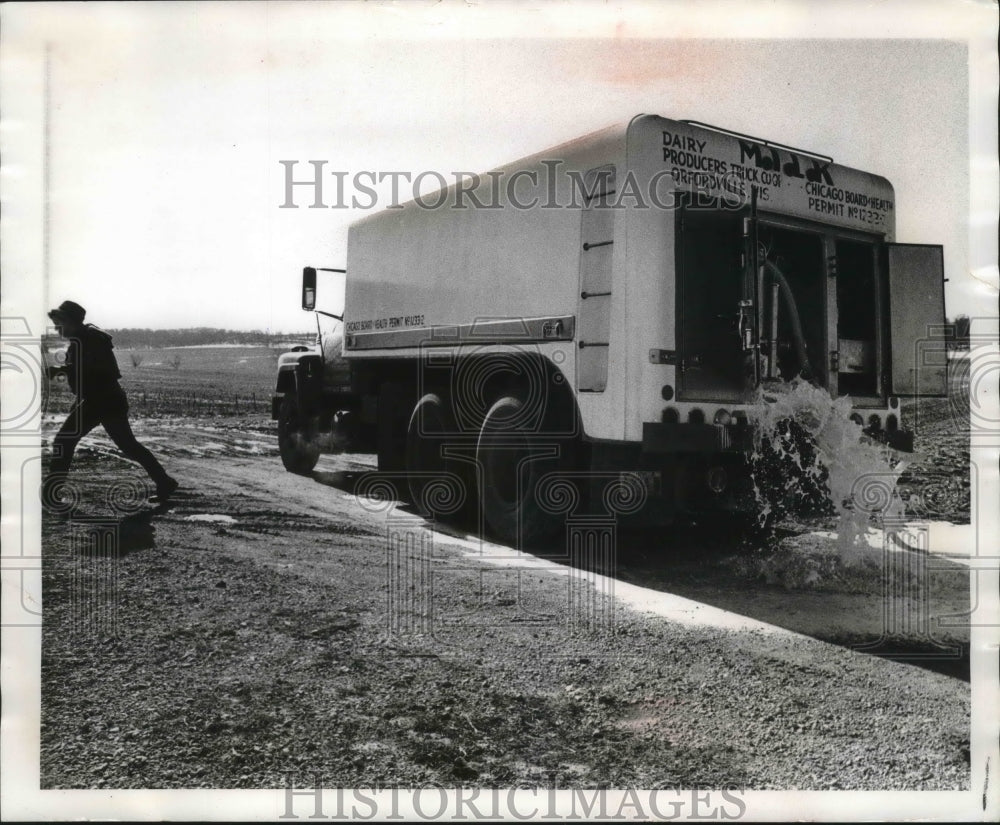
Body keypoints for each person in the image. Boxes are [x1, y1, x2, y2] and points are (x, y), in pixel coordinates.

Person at [44, 300, 178, 505]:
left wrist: (60, 371)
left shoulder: (92, 340)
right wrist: (77, 396)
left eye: (59, 323)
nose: (57, 329)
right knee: (127, 446)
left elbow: (97, 371)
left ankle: (50, 495)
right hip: (102, 401)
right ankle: (165, 482)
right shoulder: (81, 341)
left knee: (66, 441)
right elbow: (85, 375)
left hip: (105, 401)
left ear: (72, 321)